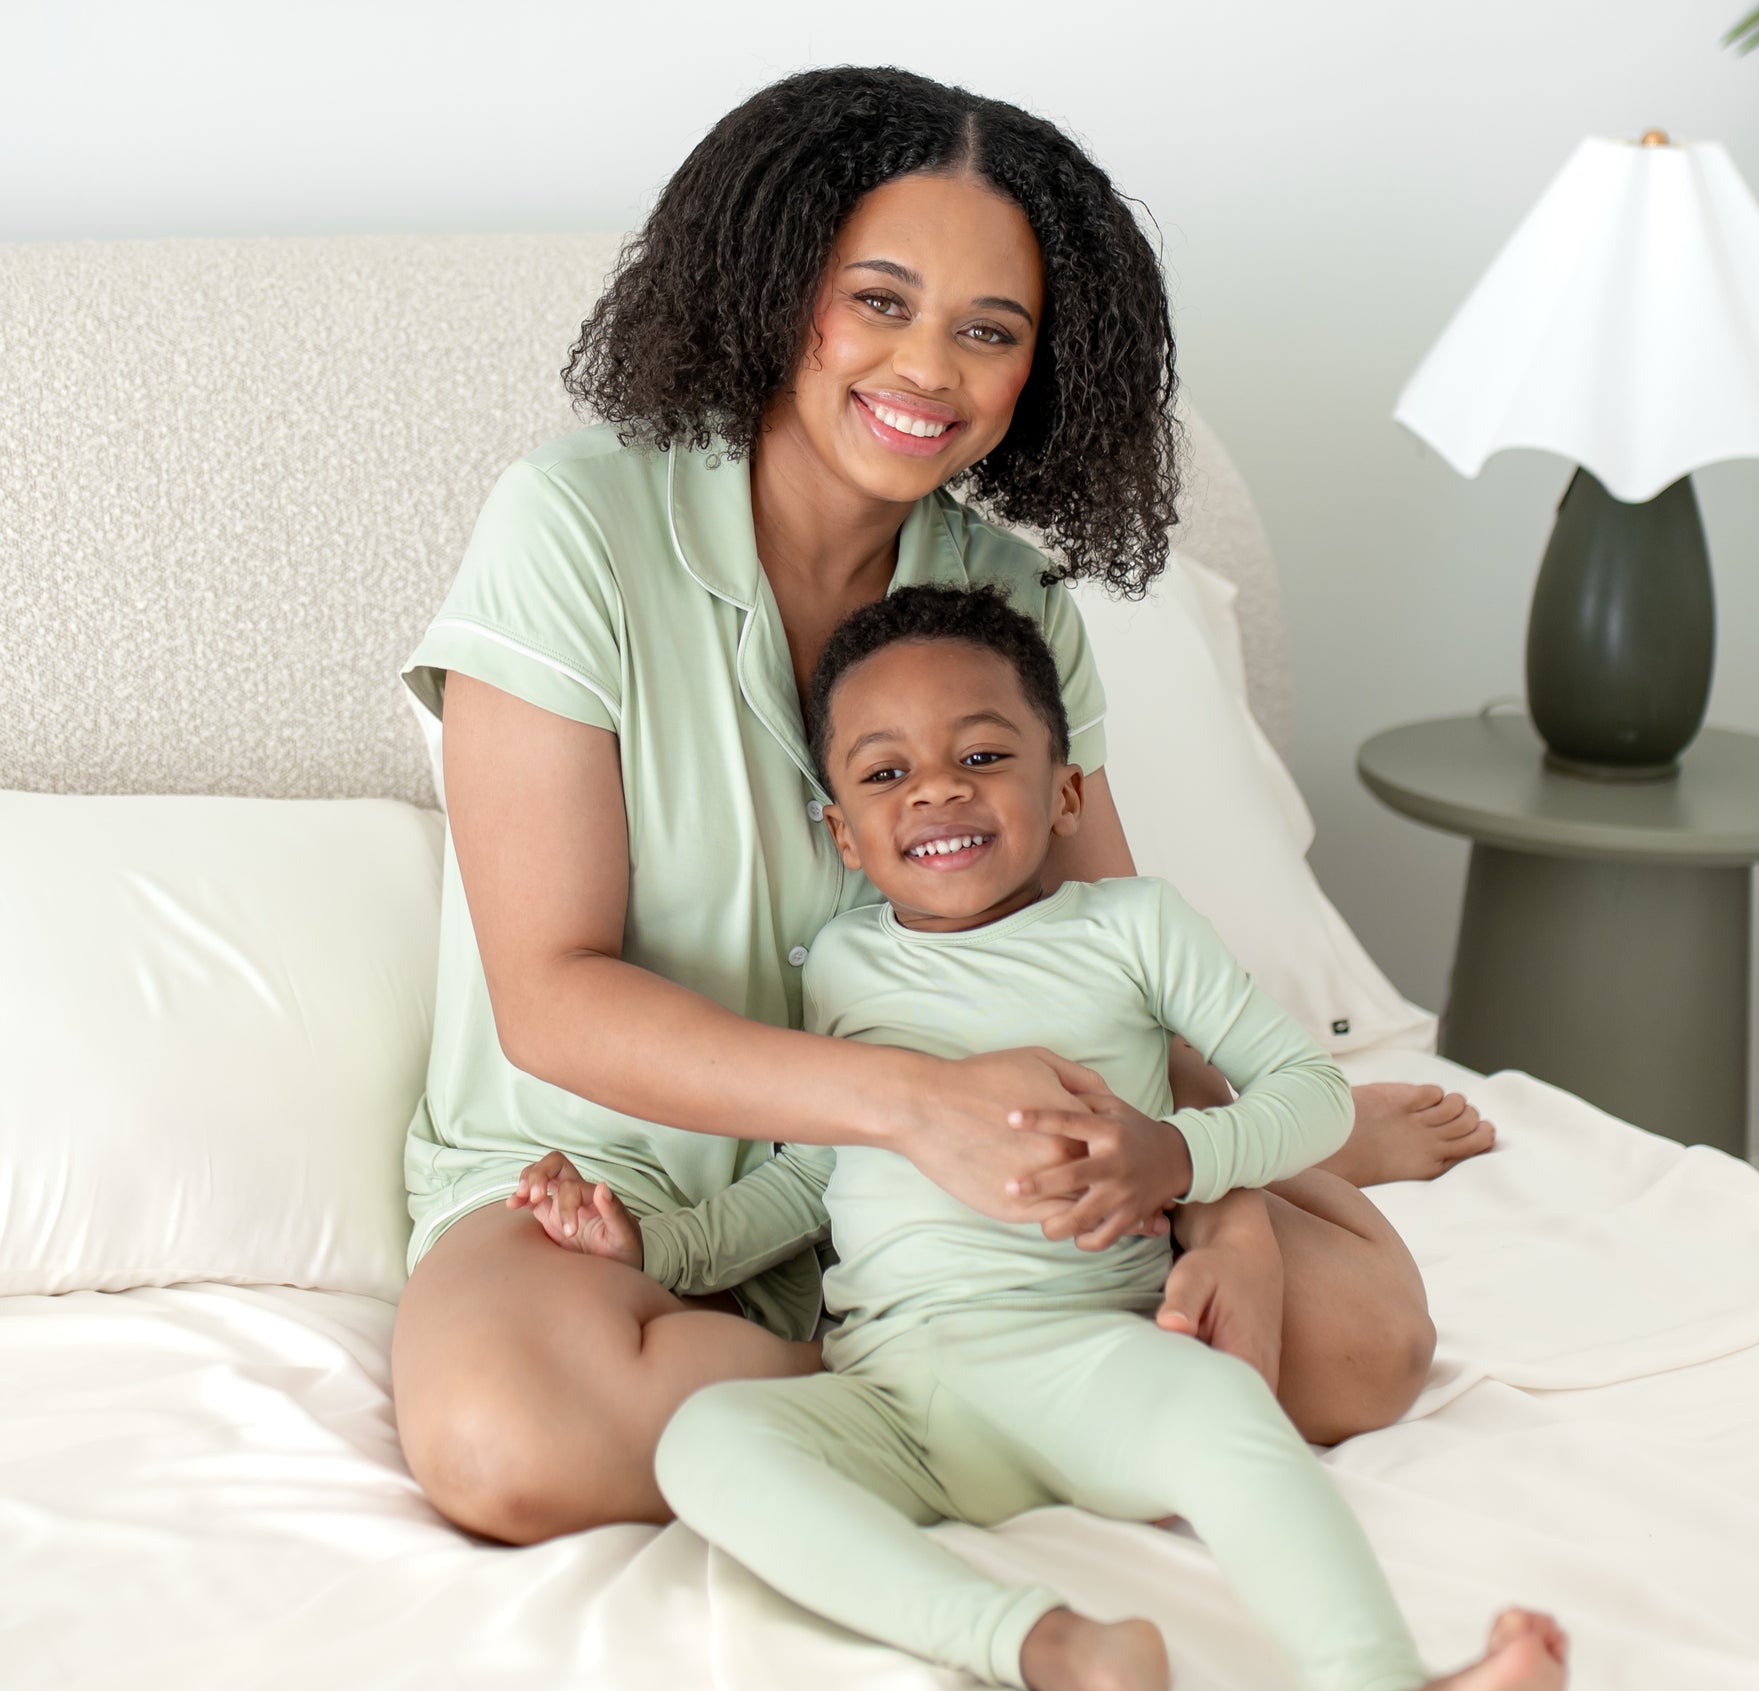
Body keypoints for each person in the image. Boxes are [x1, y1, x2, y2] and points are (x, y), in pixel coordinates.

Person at [390, 64, 1495, 1547]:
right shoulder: (572, 523)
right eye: (881, 301)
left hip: (976, 1207)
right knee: (501, 1437)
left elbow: (1112, 952)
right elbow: (554, 1000)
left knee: (1370, 1338)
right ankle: (942, 1411)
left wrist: (1221, 1204)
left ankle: (878, 1412)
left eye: (991, 332)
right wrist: (916, 1107)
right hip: (623, 1181)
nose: (929, 370)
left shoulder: (1013, 596)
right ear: (782, 290)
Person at [517, 585, 1569, 1691]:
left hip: (1093, 1361)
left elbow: (1305, 1092)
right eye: (886, 773)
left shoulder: (1131, 929)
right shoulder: (844, 968)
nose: (938, 789)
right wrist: (656, 1247)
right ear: (841, 835)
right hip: (898, 1395)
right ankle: (1050, 1644)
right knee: (707, 1443)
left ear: (1065, 794)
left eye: (982, 755)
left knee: (1228, 1418)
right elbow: (816, 1170)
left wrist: (1179, 1160)